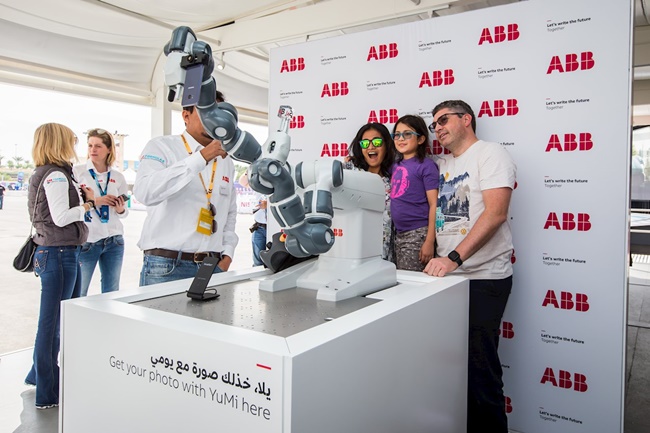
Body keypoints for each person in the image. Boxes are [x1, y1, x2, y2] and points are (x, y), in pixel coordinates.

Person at [424, 100, 516, 433]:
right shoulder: (443, 163)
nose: (437, 128)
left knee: (481, 371)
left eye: (443, 120)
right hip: (448, 279)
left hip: (483, 277)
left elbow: (496, 213)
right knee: (450, 370)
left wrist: (453, 259)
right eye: (434, 124)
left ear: (466, 119)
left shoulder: (490, 153)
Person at [24, 123, 96, 409]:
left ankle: (39, 377)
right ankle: (47, 392)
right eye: (72, 140)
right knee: (51, 324)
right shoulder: (55, 175)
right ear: (59, 142)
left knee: (53, 322)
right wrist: (87, 206)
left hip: (57, 252)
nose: (75, 145)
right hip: (59, 253)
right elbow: (62, 217)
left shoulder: (52, 172)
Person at [134, 90, 238, 286]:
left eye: (217, 112)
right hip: (166, 265)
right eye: (205, 111)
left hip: (213, 266)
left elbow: (230, 211)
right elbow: (144, 192)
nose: (213, 118)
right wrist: (201, 157)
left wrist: (228, 253)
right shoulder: (161, 147)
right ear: (186, 115)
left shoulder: (226, 160)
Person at [73, 128, 129, 296]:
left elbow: (124, 213)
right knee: (79, 291)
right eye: (90, 145)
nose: (93, 150)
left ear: (109, 149)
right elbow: (72, 206)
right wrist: (96, 201)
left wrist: (120, 208)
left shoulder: (118, 176)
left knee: (112, 292)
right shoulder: (78, 172)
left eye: (98, 146)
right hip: (88, 240)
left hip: (114, 240)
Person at [389, 114, 439, 271]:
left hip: (418, 234)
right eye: (397, 134)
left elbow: (434, 204)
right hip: (398, 234)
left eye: (407, 134)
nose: (400, 139)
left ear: (421, 139)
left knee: (409, 280)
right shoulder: (395, 165)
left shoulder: (426, 166)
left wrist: (429, 241)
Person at [345, 122, 396, 263]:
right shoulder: (351, 173)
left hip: (384, 255)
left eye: (377, 142)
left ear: (386, 145)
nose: (371, 147)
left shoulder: (394, 180)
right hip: (353, 252)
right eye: (365, 143)